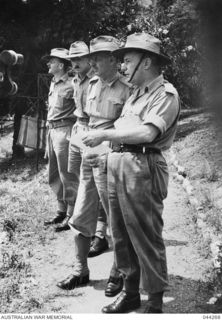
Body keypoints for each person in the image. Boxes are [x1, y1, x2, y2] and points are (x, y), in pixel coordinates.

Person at [82, 32, 180, 313]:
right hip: (120, 163)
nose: (122, 66)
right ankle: (130, 291)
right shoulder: (136, 93)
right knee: (121, 233)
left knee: (145, 233)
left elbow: (147, 132)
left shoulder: (166, 94)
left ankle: (155, 300)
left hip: (143, 166)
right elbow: (124, 132)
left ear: (146, 62)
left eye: (127, 60)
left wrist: (105, 135)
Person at [56, 35, 131, 297]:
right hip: (90, 157)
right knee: (80, 214)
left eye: (97, 58)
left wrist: (104, 146)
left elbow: (128, 130)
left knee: (116, 218)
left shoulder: (127, 88)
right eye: (92, 58)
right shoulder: (91, 85)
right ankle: (80, 270)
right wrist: (82, 142)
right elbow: (85, 118)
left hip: (112, 160)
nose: (92, 62)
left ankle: (118, 271)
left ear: (112, 59)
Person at [55, 41, 109, 255]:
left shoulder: (96, 80)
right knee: (78, 178)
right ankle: (82, 223)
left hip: (93, 132)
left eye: (78, 59)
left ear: (90, 60)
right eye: (72, 60)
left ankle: (101, 232)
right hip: (79, 130)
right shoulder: (76, 79)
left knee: (98, 183)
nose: (74, 63)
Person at [43, 48, 77, 229]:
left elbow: (81, 110)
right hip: (52, 130)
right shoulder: (53, 83)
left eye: (52, 61)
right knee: (54, 173)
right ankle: (60, 211)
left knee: (67, 174)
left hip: (65, 131)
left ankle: (71, 215)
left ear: (61, 65)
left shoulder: (72, 85)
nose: (48, 64)